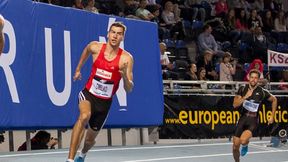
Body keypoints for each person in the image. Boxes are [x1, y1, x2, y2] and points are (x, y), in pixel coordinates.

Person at [66, 22, 134, 162]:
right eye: (113, 32)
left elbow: (129, 88)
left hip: (104, 104)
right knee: (84, 116)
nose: (115, 36)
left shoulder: (126, 59)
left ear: (123, 37)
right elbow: (86, 50)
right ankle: (70, 159)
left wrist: (125, 77)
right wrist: (78, 69)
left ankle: (83, 153)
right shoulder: (96, 47)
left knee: (89, 140)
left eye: (119, 34)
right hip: (88, 94)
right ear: (108, 34)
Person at [232, 69, 277, 162]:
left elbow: (274, 100)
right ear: (248, 77)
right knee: (235, 146)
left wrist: (272, 116)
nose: (253, 80)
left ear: (258, 80)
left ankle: (245, 145)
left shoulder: (262, 91)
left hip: (253, 120)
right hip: (242, 119)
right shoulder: (242, 89)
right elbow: (235, 104)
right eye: (252, 77)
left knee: (243, 141)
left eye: (256, 78)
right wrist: (245, 97)